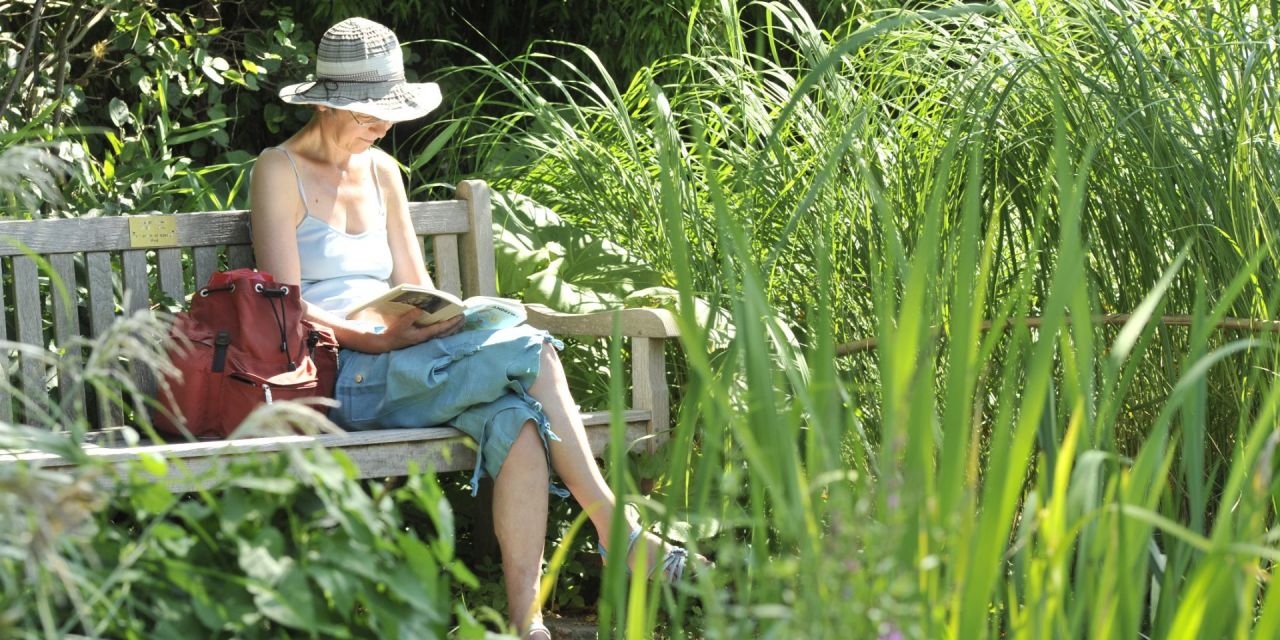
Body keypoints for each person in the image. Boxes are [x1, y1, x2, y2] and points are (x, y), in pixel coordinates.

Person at [249, 17, 703, 639]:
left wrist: (437, 318)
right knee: (532, 349)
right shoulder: (279, 170)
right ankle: (615, 528)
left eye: (388, 113)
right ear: (329, 103)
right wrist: (376, 339)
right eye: (369, 114)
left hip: (407, 358)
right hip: (339, 371)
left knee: (516, 421)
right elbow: (285, 306)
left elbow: (414, 283)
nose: (384, 126)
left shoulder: (382, 171)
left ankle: (528, 625)